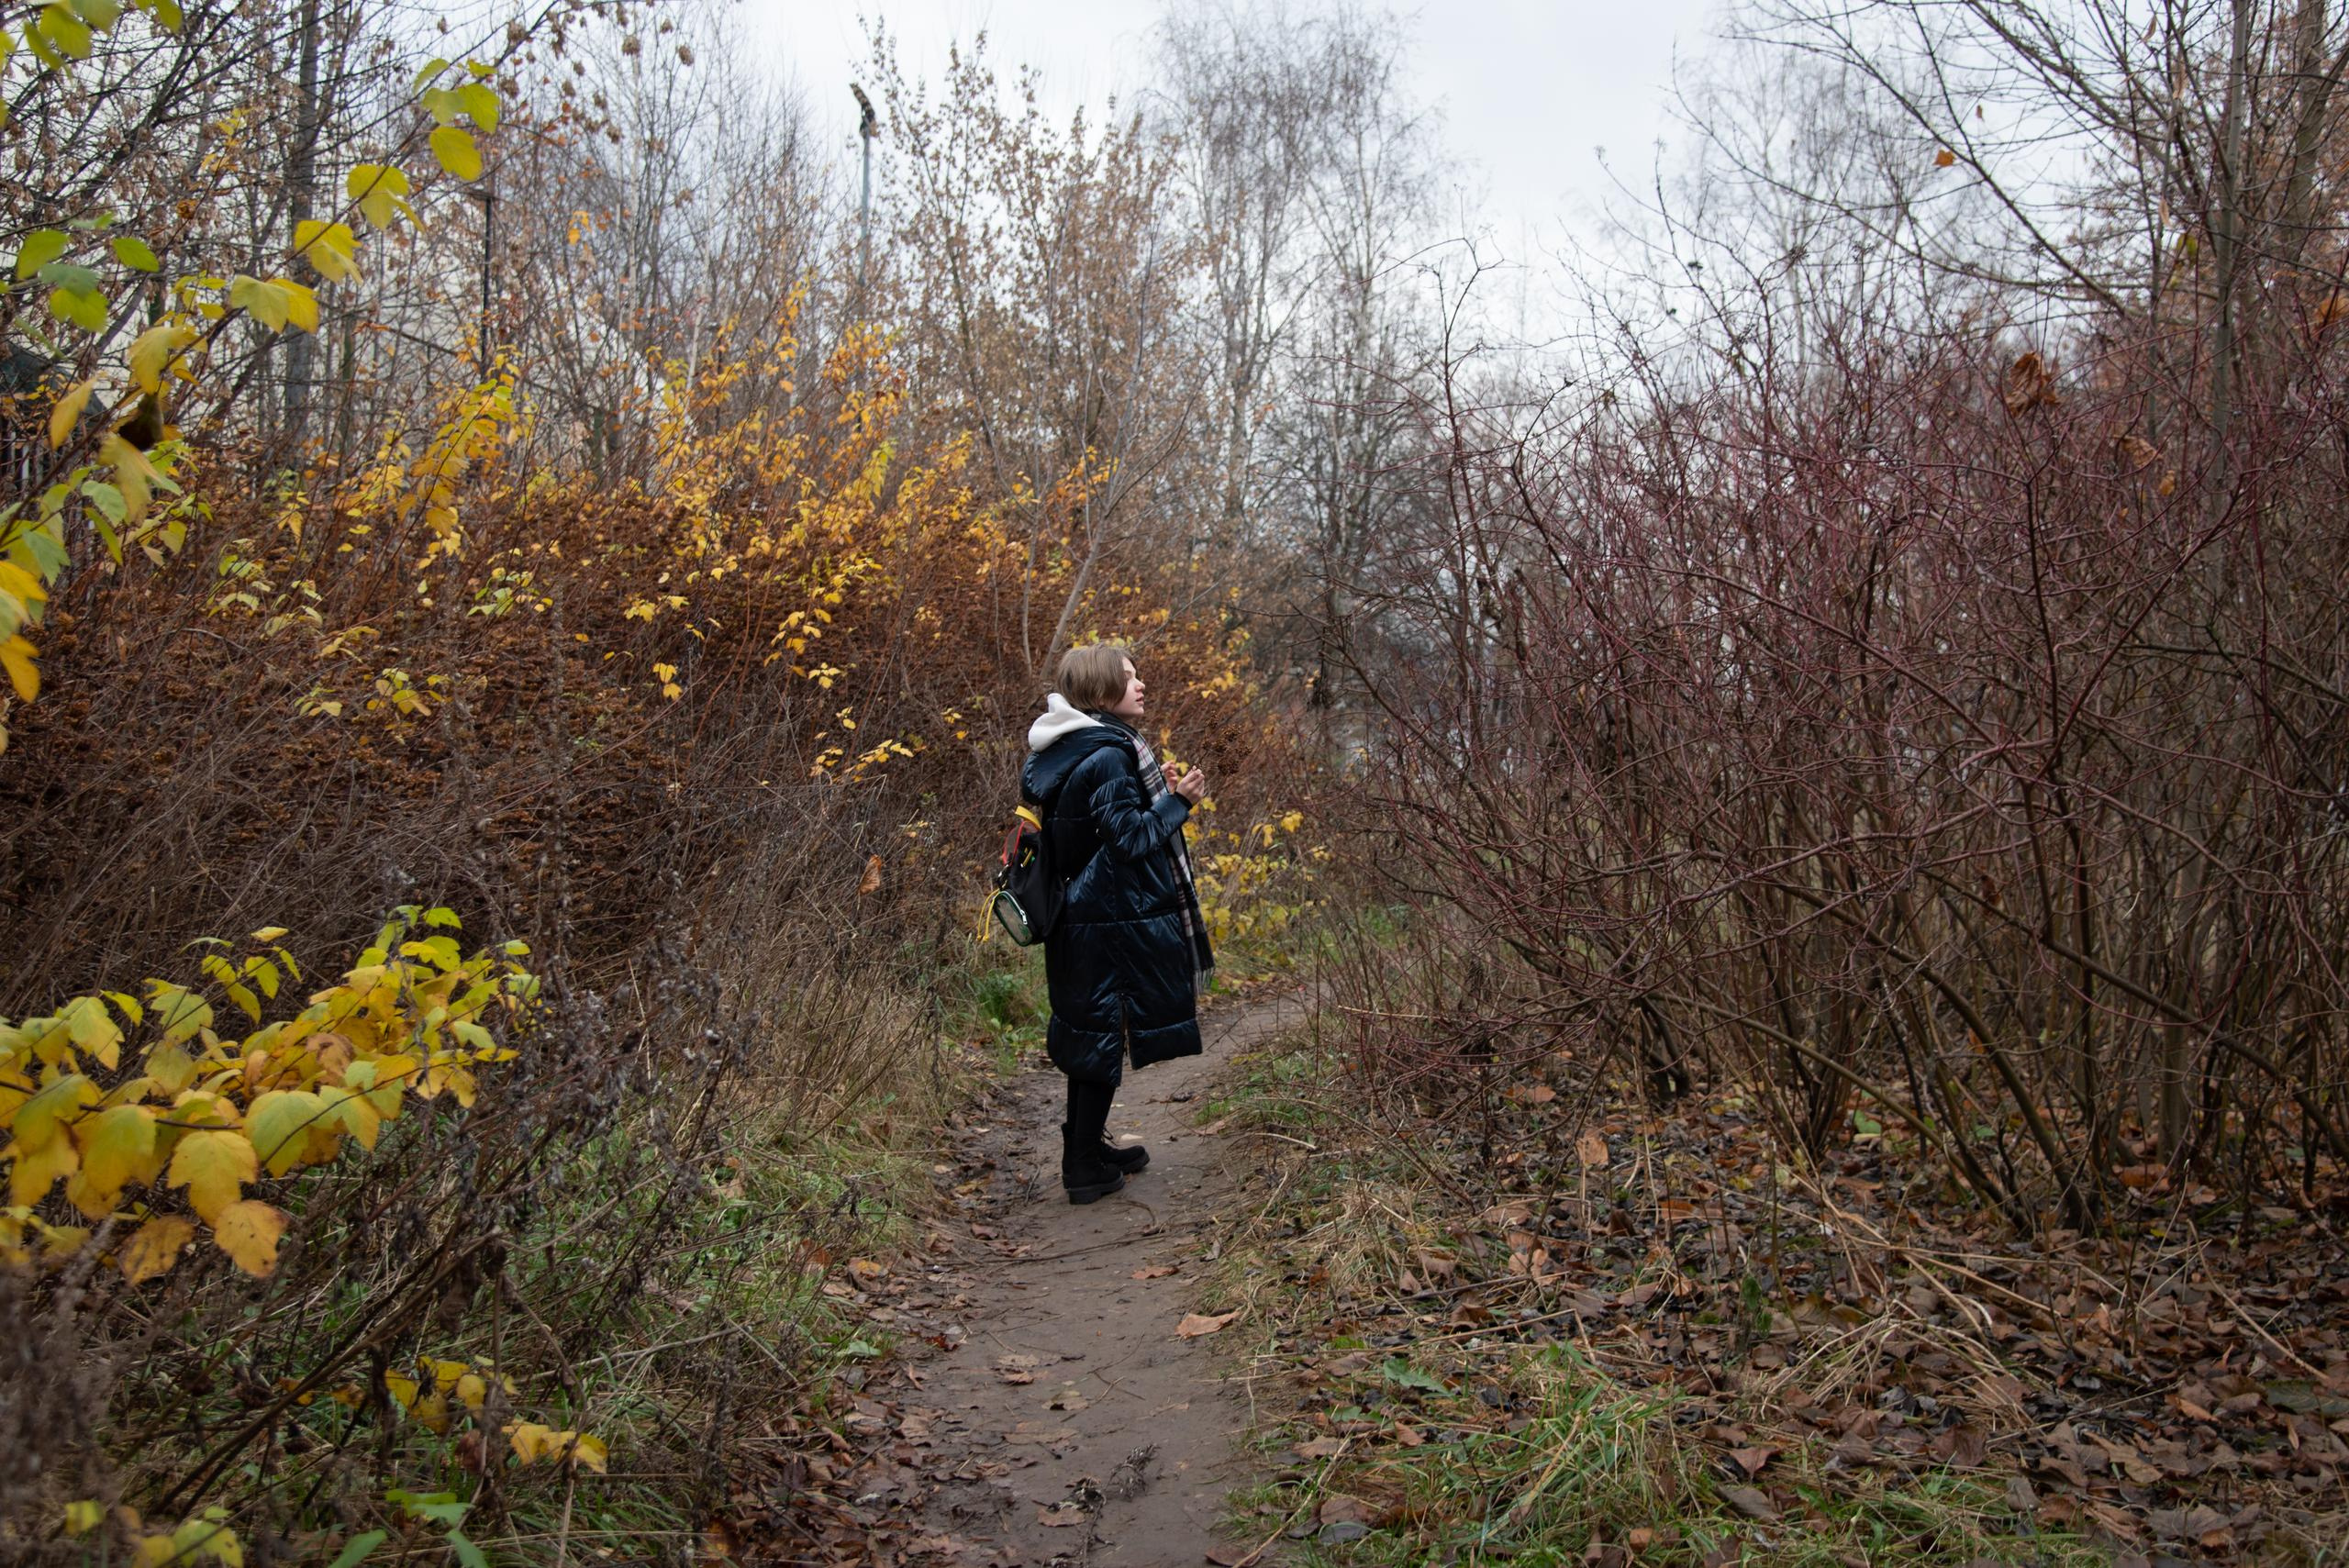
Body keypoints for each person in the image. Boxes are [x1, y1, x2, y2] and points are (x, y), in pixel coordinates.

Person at [1020, 644, 1214, 1203]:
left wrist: (1158, 796)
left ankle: (1087, 1149)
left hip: (1083, 917)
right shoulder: (1107, 755)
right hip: (1104, 920)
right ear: (1102, 692)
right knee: (1100, 1037)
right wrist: (1178, 802)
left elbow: (1102, 832)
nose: (1142, 685)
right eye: (1129, 679)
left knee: (1093, 1035)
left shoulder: (1069, 749)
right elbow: (1129, 840)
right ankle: (1081, 1164)